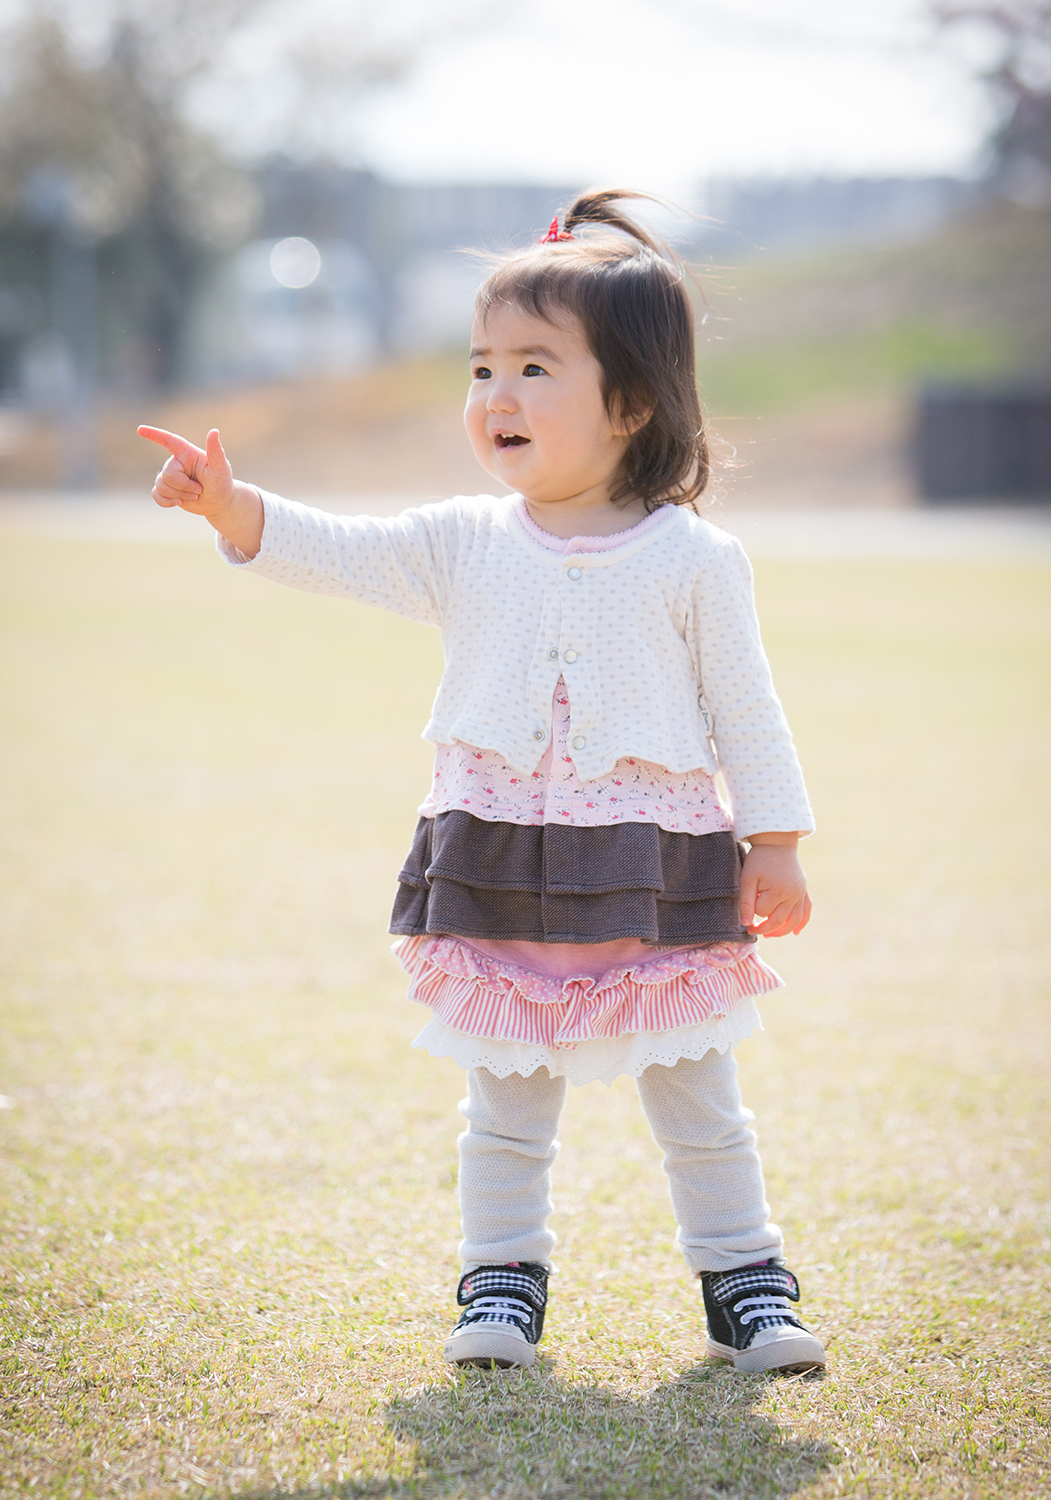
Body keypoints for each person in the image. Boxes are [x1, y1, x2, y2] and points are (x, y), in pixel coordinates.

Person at [138, 189, 826, 1376]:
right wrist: (234, 509)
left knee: (700, 1105)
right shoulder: (464, 542)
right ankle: (501, 1280)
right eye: (481, 368)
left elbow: (747, 709)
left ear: (632, 403)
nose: (495, 396)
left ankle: (745, 1284)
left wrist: (775, 842)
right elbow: (342, 551)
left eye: (533, 369)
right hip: (499, 856)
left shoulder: (695, 560)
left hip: (652, 870)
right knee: (503, 1108)